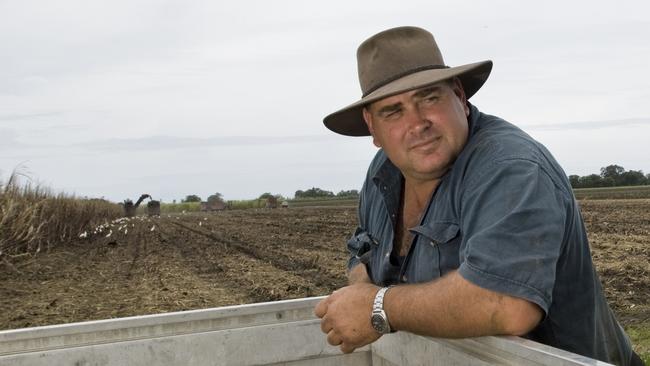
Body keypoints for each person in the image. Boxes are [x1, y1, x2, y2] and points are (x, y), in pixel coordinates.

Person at [314, 26, 642, 366]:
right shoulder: (384, 171)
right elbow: (362, 253)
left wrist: (377, 307)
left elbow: (507, 305)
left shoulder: (509, 166)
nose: (417, 123)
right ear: (372, 127)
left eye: (429, 98)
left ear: (459, 95)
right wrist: (361, 288)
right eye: (393, 111)